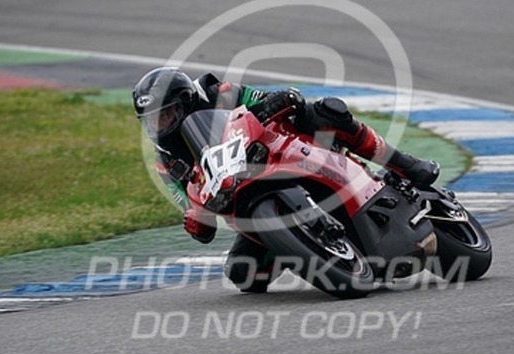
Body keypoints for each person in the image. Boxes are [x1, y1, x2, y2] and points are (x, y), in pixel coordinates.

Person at [133, 67, 440, 292]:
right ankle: (297, 246)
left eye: (167, 114)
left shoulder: (219, 93)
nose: (161, 125)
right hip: (245, 199)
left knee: (324, 112)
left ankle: (405, 164)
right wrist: (196, 220)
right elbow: (192, 208)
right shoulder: (167, 162)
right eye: (152, 120)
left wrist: (276, 101)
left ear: (187, 101)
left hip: (280, 152)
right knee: (244, 275)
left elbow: (271, 99)